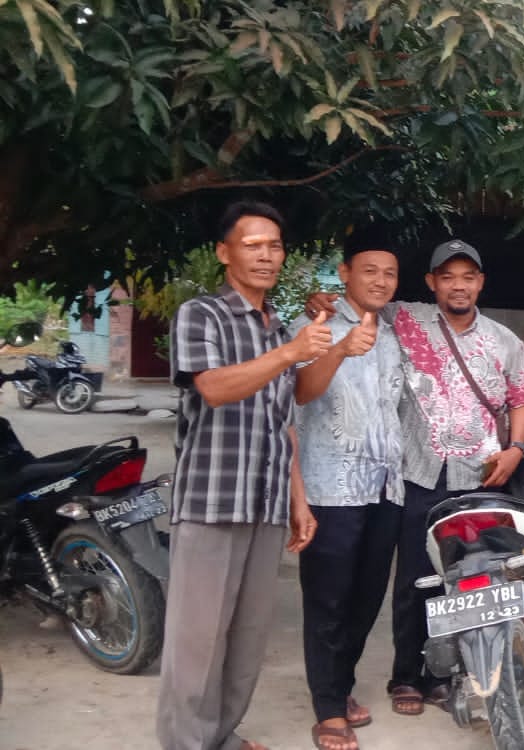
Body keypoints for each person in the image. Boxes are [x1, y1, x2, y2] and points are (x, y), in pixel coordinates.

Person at [305, 240, 524, 715]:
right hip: (417, 474)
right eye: (447, 277)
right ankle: (407, 676)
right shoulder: (404, 318)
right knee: (417, 579)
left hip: (480, 478)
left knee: (472, 578)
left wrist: (516, 449)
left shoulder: (505, 341)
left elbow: (521, 398)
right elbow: (358, 302)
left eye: (468, 277)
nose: (458, 286)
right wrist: (321, 299)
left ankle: (447, 676)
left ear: (481, 283)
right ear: (431, 282)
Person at [157, 201, 321, 750]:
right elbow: (214, 387)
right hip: (212, 499)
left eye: (275, 246)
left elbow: (284, 421)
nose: (266, 255)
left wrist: (298, 499)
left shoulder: (279, 329)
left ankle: (220, 735)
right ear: (224, 253)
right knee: (197, 640)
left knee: (247, 640)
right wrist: (292, 353)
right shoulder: (202, 315)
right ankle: (187, 743)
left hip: (266, 501)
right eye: (253, 245)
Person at [290, 229, 407, 750]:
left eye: (390, 273)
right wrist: (339, 349)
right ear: (344, 273)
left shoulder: (396, 331)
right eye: (369, 271)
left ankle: (339, 687)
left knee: (365, 598)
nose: (380, 281)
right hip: (330, 486)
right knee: (328, 600)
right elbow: (300, 391)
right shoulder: (314, 327)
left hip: (385, 486)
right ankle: (329, 709)